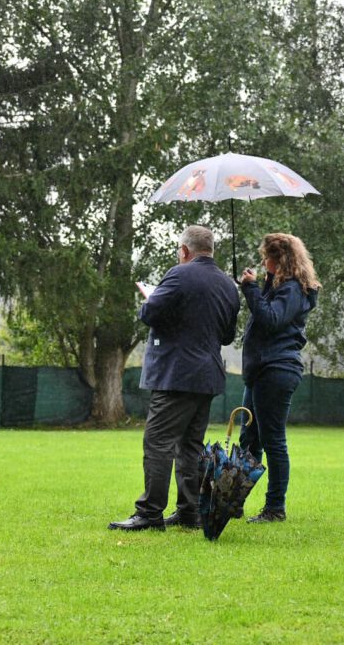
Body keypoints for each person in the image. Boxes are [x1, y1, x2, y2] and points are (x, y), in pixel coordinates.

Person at [109, 226, 240, 531]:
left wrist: (151, 298)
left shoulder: (179, 274)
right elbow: (228, 336)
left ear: (184, 250)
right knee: (191, 445)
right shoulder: (228, 285)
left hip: (176, 375)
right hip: (208, 375)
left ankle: (150, 512)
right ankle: (189, 511)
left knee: (158, 442)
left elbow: (149, 313)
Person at [237, 233, 320, 523]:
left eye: (266, 257)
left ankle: (275, 508)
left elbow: (271, 320)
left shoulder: (293, 290)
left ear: (279, 259)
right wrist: (256, 287)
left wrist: (250, 289)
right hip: (261, 371)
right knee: (249, 439)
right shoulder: (278, 288)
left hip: (276, 370)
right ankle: (234, 500)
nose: (263, 261)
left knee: (272, 440)